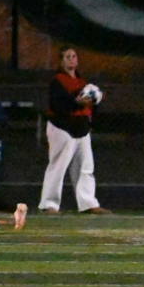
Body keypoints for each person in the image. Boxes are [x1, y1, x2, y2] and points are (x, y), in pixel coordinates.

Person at [38, 46, 109, 215]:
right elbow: (57, 105)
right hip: (62, 127)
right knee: (58, 166)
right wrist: (76, 101)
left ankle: (88, 204)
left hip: (81, 128)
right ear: (62, 61)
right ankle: (49, 205)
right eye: (67, 57)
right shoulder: (58, 81)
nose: (71, 59)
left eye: (74, 56)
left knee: (85, 167)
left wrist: (94, 102)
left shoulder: (83, 83)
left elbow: (89, 107)